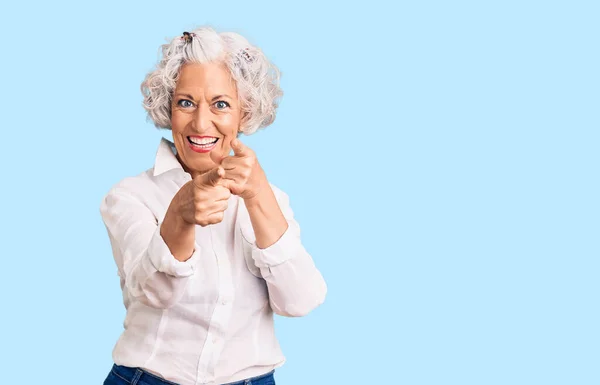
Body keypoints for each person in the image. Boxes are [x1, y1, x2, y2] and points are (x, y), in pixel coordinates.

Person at [100, 26, 327, 385]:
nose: (201, 123)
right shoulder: (130, 196)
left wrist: (258, 196)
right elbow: (155, 293)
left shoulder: (272, 199)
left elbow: (299, 301)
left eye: (220, 104)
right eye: (185, 103)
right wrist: (180, 215)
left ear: (244, 111)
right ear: (168, 108)